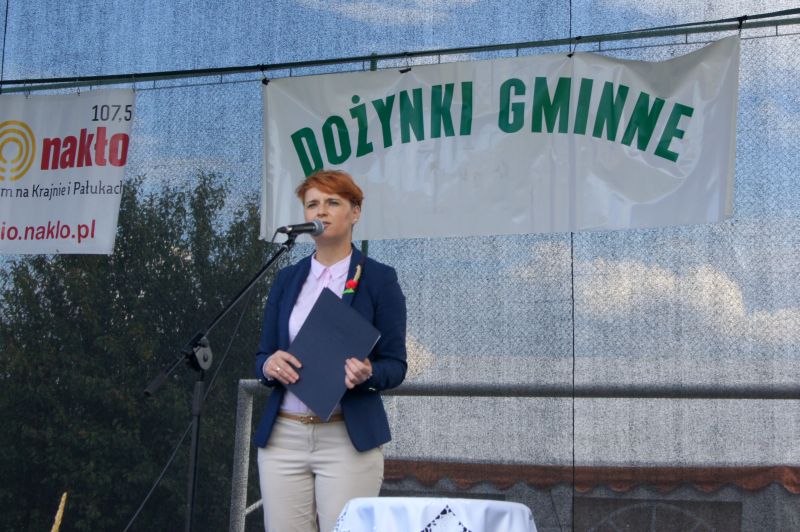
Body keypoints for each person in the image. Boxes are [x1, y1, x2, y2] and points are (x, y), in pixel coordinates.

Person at [253, 169, 407, 532]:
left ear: (355, 212)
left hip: (346, 438)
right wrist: (269, 365)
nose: (320, 211)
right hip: (283, 438)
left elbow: (396, 364)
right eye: (312, 205)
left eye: (332, 202)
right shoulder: (287, 278)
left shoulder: (379, 279)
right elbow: (262, 356)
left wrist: (368, 372)